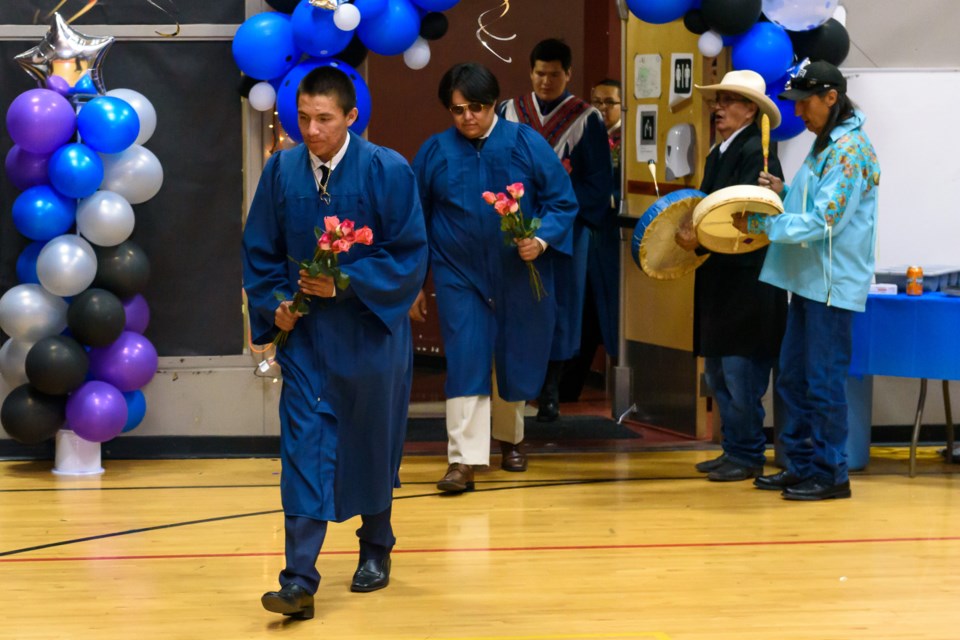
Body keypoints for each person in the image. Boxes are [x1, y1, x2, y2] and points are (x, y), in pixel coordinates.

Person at [242, 66, 428, 619]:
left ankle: (376, 546)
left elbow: (409, 252)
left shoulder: (386, 169)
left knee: (370, 441)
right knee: (302, 451)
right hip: (307, 342)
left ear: (351, 117)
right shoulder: (281, 171)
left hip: (370, 335)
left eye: (323, 119)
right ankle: (298, 580)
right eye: (302, 118)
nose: (311, 130)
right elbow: (261, 250)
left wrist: (345, 280)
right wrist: (275, 303)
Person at [411, 62, 578, 493]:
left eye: (478, 108)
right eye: (458, 109)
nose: (468, 117)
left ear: (494, 104)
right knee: (466, 356)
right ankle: (463, 460)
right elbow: (415, 222)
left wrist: (539, 240)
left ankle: (510, 439)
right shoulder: (434, 152)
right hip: (458, 273)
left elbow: (563, 202)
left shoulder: (526, 143)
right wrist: (415, 282)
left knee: (513, 352)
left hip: (517, 270)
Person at [733, 60, 881, 500]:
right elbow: (810, 202)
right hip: (808, 282)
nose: (799, 114)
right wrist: (780, 190)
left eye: (805, 104)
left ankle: (832, 472)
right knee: (794, 379)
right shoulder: (825, 146)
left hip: (832, 288)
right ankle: (799, 464)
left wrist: (763, 227)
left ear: (831, 97)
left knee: (823, 381)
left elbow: (825, 220)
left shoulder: (851, 150)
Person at [675, 70, 788, 482]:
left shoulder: (758, 154)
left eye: (728, 101)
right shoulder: (719, 152)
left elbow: (739, 221)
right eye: (718, 99)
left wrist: (698, 240)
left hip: (747, 286)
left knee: (741, 377)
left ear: (751, 110)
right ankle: (734, 449)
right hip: (721, 283)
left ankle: (748, 454)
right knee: (719, 374)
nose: (718, 108)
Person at [498, 39, 613, 421]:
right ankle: (513, 391)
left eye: (554, 74)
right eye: (540, 73)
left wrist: (556, 214)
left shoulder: (586, 119)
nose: (546, 80)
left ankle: (550, 391)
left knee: (561, 309)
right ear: (531, 72)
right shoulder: (509, 112)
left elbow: (597, 183)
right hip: (514, 227)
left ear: (568, 74)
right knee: (517, 305)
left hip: (566, 231)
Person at [556, 78, 623, 402]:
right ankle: (563, 389)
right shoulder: (584, 136)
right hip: (585, 237)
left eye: (609, 102)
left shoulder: (626, 144)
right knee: (582, 314)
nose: (602, 108)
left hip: (613, 241)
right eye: (597, 100)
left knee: (603, 315)